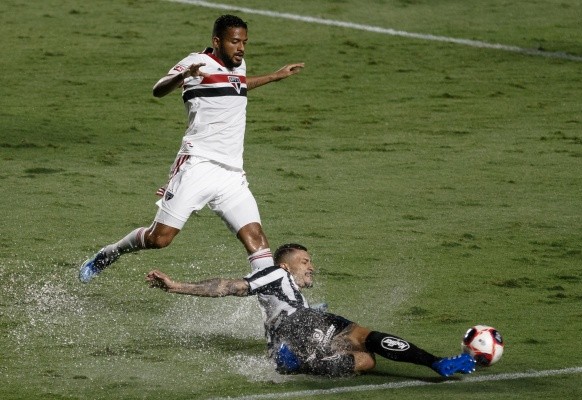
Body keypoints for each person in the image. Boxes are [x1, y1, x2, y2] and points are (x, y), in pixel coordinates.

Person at [79, 15, 304, 283]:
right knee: (159, 239)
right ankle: (110, 253)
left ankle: (287, 314)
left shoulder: (238, 65)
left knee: (257, 242)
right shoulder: (196, 62)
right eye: (234, 42)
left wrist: (274, 76)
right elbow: (158, 90)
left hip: (231, 173)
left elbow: (237, 86)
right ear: (217, 41)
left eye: (244, 42)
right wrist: (185, 75)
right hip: (197, 164)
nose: (241, 48)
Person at [145, 243, 476, 377]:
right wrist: (176, 286)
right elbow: (230, 286)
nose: (312, 267)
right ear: (286, 264)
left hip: (308, 321)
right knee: (364, 348)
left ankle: (437, 363)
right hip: (296, 325)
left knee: (366, 349)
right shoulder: (275, 273)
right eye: (305, 261)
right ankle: (296, 362)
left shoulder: (287, 286)